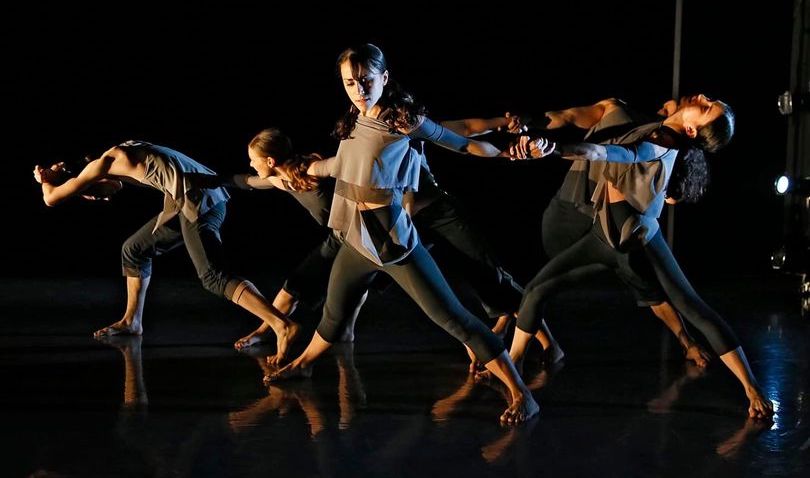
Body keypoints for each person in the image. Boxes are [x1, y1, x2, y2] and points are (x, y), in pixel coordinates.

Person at [265, 43, 538, 424]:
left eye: (366, 81)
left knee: (453, 319)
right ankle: (302, 365)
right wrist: (307, 169)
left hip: (391, 242)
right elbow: (343, 165)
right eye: (350, 83)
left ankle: (522, 394)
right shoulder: (353, 120)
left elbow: (463, 143)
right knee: (333, 311)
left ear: (385, 79)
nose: (359, 90)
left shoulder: (401, 121)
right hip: (356, 236)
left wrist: (507, 153)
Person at [506, 94, 773, 418]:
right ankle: (514, 374)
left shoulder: (660, 141)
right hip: (619, 232)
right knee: (538, 290)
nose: (701, 98)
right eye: (709, 100)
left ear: (691, 129)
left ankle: (751, 387)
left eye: (705, 108)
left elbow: (608, 152)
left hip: (627, 236)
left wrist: (555, 149)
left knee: (691, 305)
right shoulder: (659, 127)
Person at [233, 122, 527, 372]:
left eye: (253, 159)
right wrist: (217, 181)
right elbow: (250, 181)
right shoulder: (281, 180)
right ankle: (279, 339)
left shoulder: (312, 169)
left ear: (270, 161)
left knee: (439, 306)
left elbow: (358, 171)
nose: (251, 164)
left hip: (371, 236)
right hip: (343, 241)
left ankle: (493, 348)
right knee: (303, 290)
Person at [33, 140, 300, 360]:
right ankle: (131, 322)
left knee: (213, 276)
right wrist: (80, 187)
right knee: (134, 250)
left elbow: (51, 199)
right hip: (188, 197)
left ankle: (281, 325)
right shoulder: (119, 154)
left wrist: (46, 180)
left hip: (197, 200)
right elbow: (111, 188)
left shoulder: (105, 163)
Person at [529, 97, 713, 368]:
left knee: (644, 283)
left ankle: (688, 343)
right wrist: (540, 136)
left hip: (610, 223)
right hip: (573, 210)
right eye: (666, 107)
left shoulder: (658, 142)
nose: (668, 106)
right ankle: (539, 342)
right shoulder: (624, 116)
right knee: (539, 285)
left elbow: (673, 194)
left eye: (672, 108)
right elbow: (568, 117)